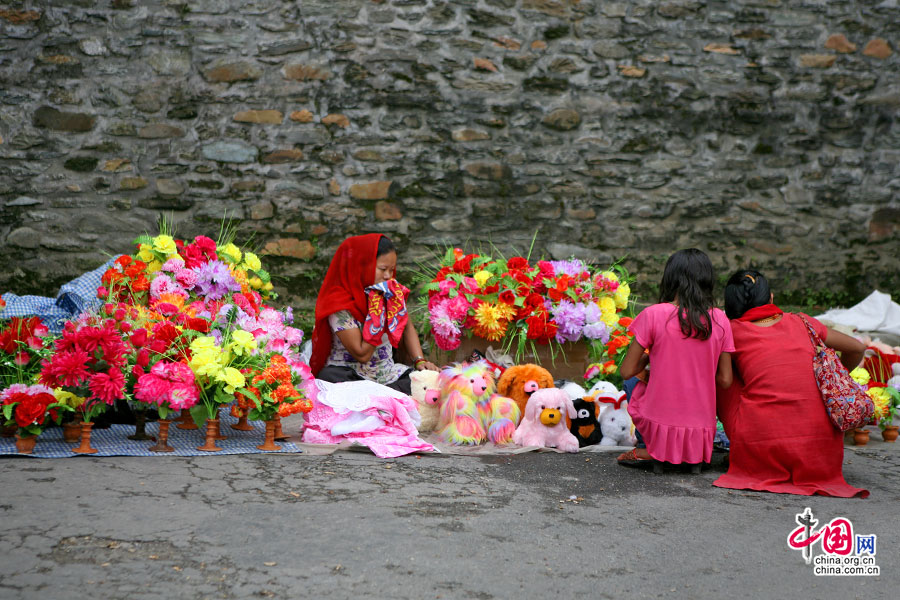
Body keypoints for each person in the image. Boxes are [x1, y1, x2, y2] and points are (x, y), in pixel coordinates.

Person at [713, 270, 868, 497]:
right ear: (772, 298)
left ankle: (748, 452)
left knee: (722, 376)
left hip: (763, 443)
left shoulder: (732, 331)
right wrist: (833, 380)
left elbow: (724, 381)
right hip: (821, 451)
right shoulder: (804, 322)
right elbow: (857, 347)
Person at [617, 249, 734, 471]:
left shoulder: (654, 314)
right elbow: (726, 380)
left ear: (670, 279)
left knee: (632, 382)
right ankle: (693, 459)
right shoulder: (720, 319)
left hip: (658, 422)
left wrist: (650, 357)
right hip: (701, 428)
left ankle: (649, 448)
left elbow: (626, 370)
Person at [309, 234, 438, 395]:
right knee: (329, 379)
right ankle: (385, 398)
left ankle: (382, 398)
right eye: (383, 269)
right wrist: (379, 311)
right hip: (350, 375)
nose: (388, 276)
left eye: (392, 270)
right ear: (362, 266)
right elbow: (362, 354)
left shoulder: (389, 291)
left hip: (388, 376)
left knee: (431, 382)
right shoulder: (339, 302)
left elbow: (406, 326)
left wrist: (420, 360)